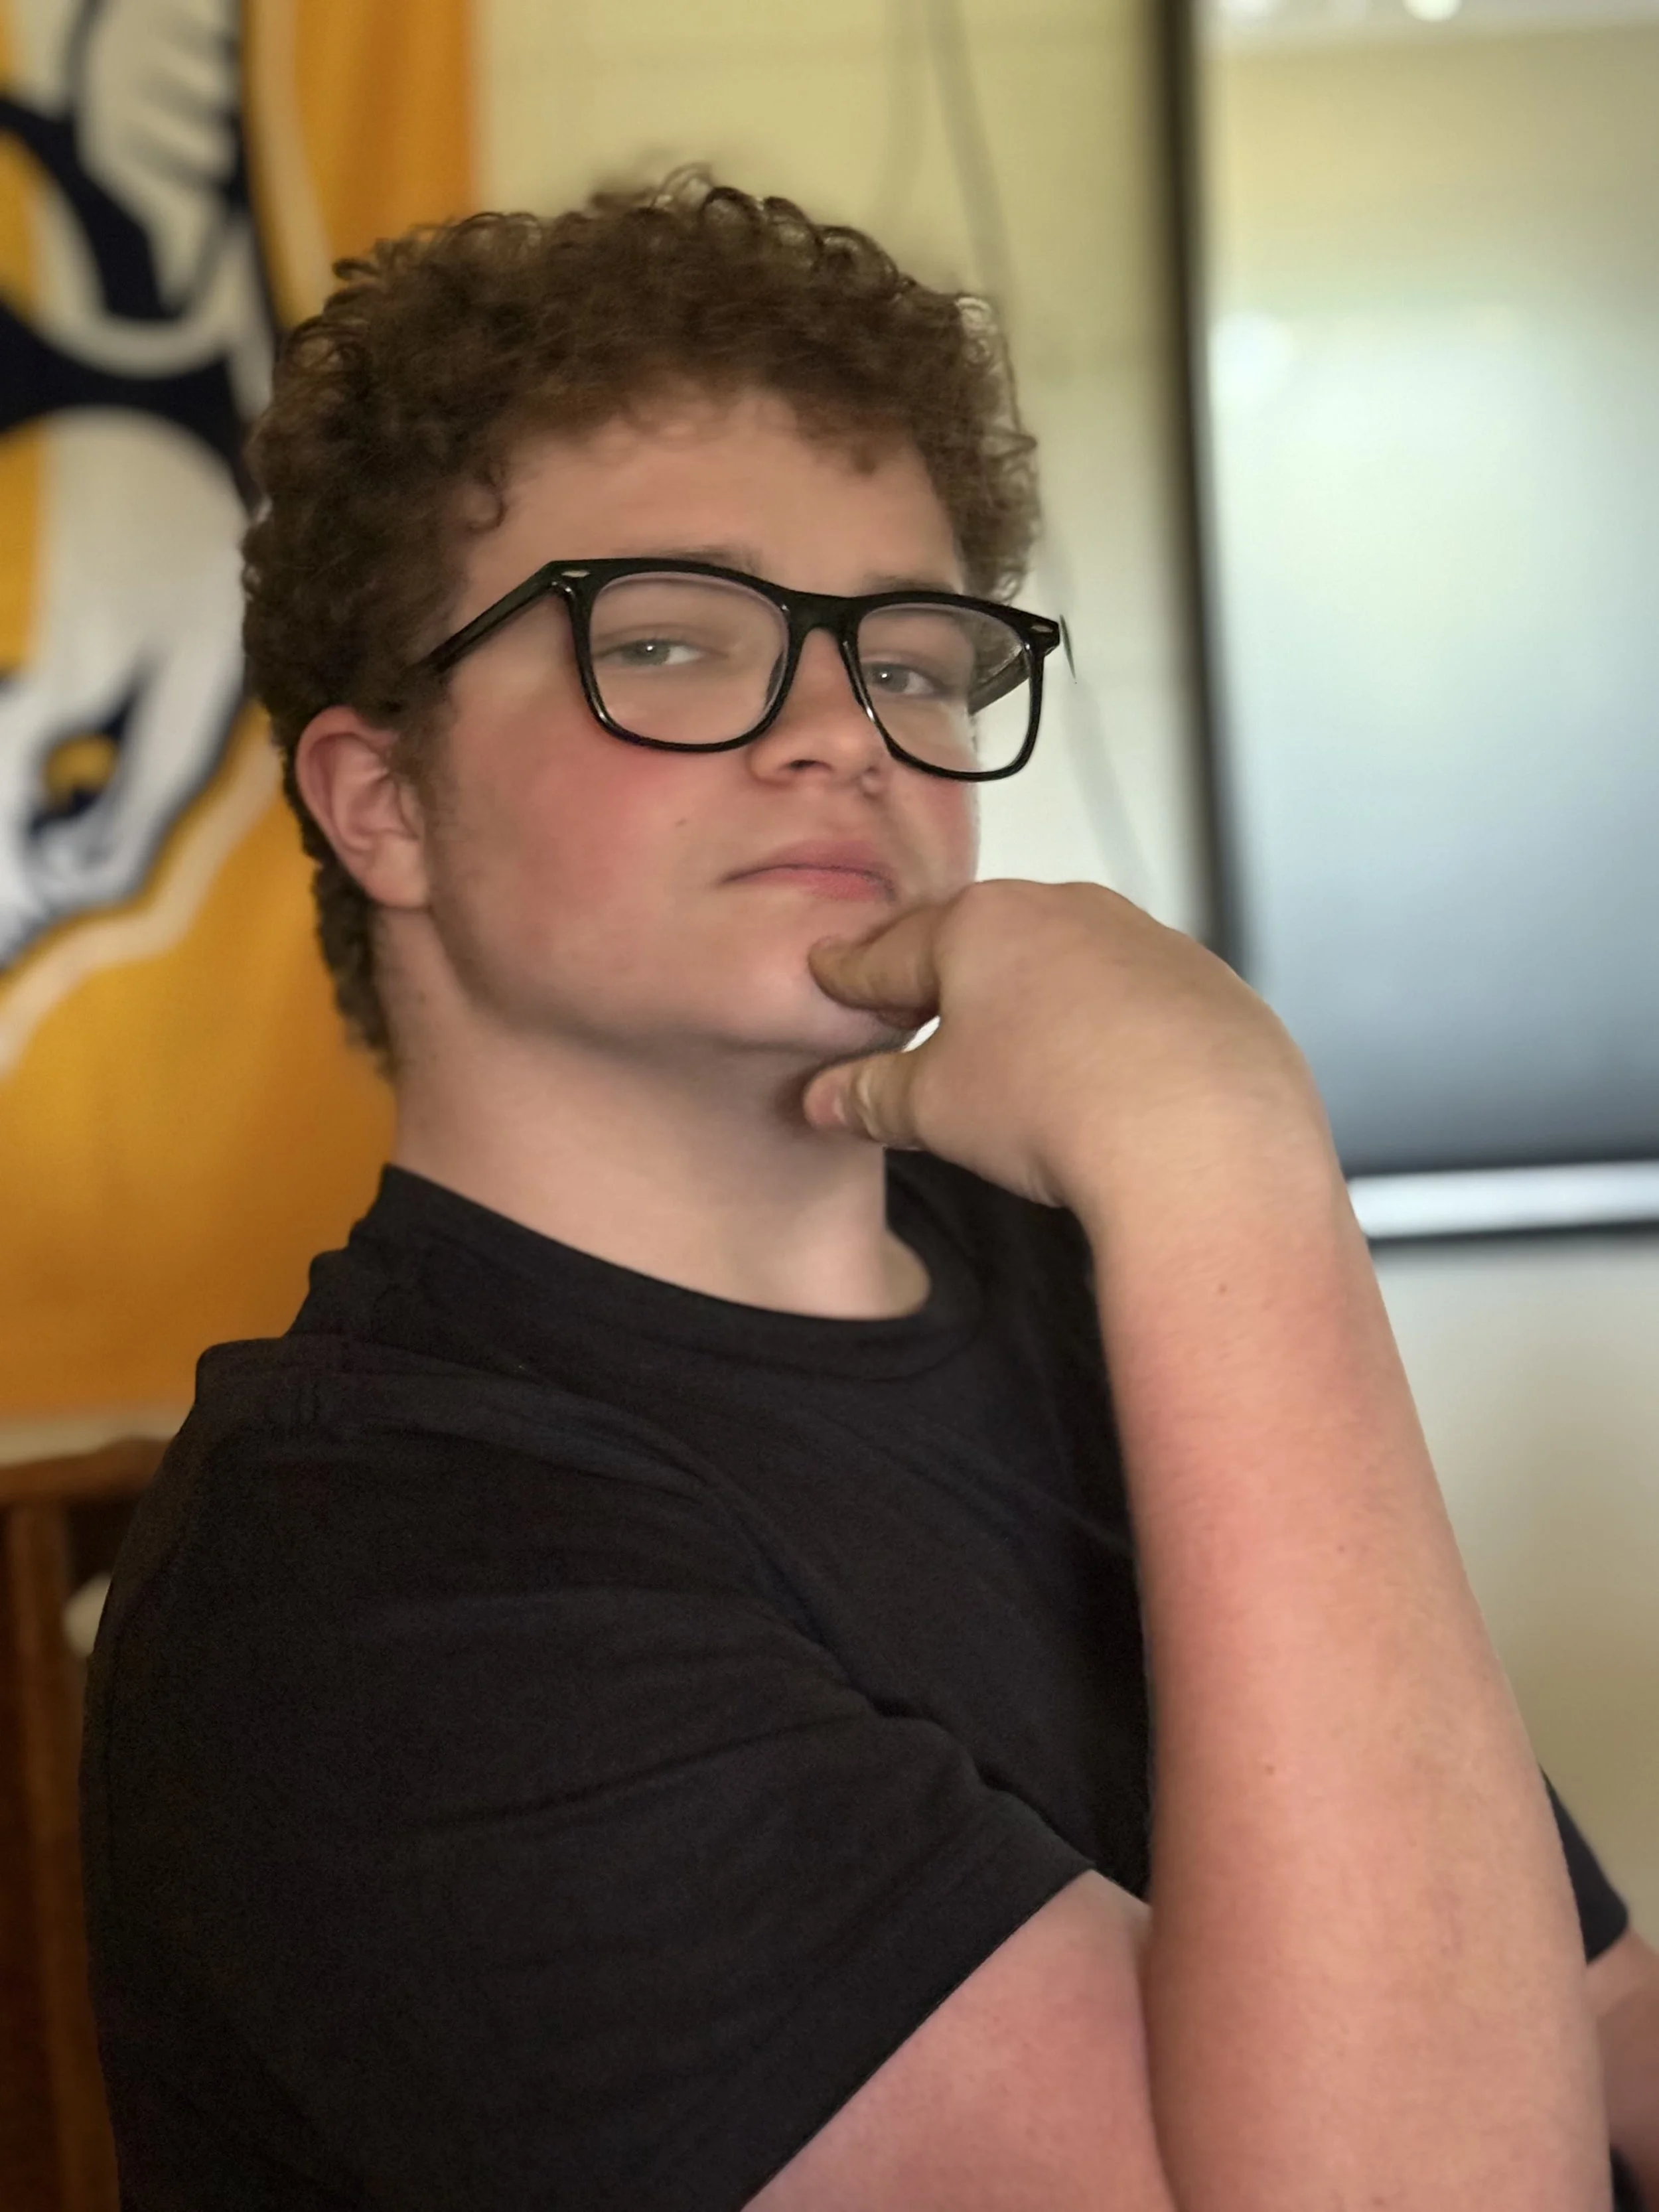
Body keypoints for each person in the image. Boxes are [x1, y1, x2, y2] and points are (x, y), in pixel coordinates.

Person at [80, 174, 1657, 2211]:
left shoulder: (1078, 1286)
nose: (845, 729)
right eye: (665, 637)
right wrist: (1225, 1154)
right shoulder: (366, 1577)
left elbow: (1580, 2011)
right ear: (382, 803)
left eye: (914, 657)